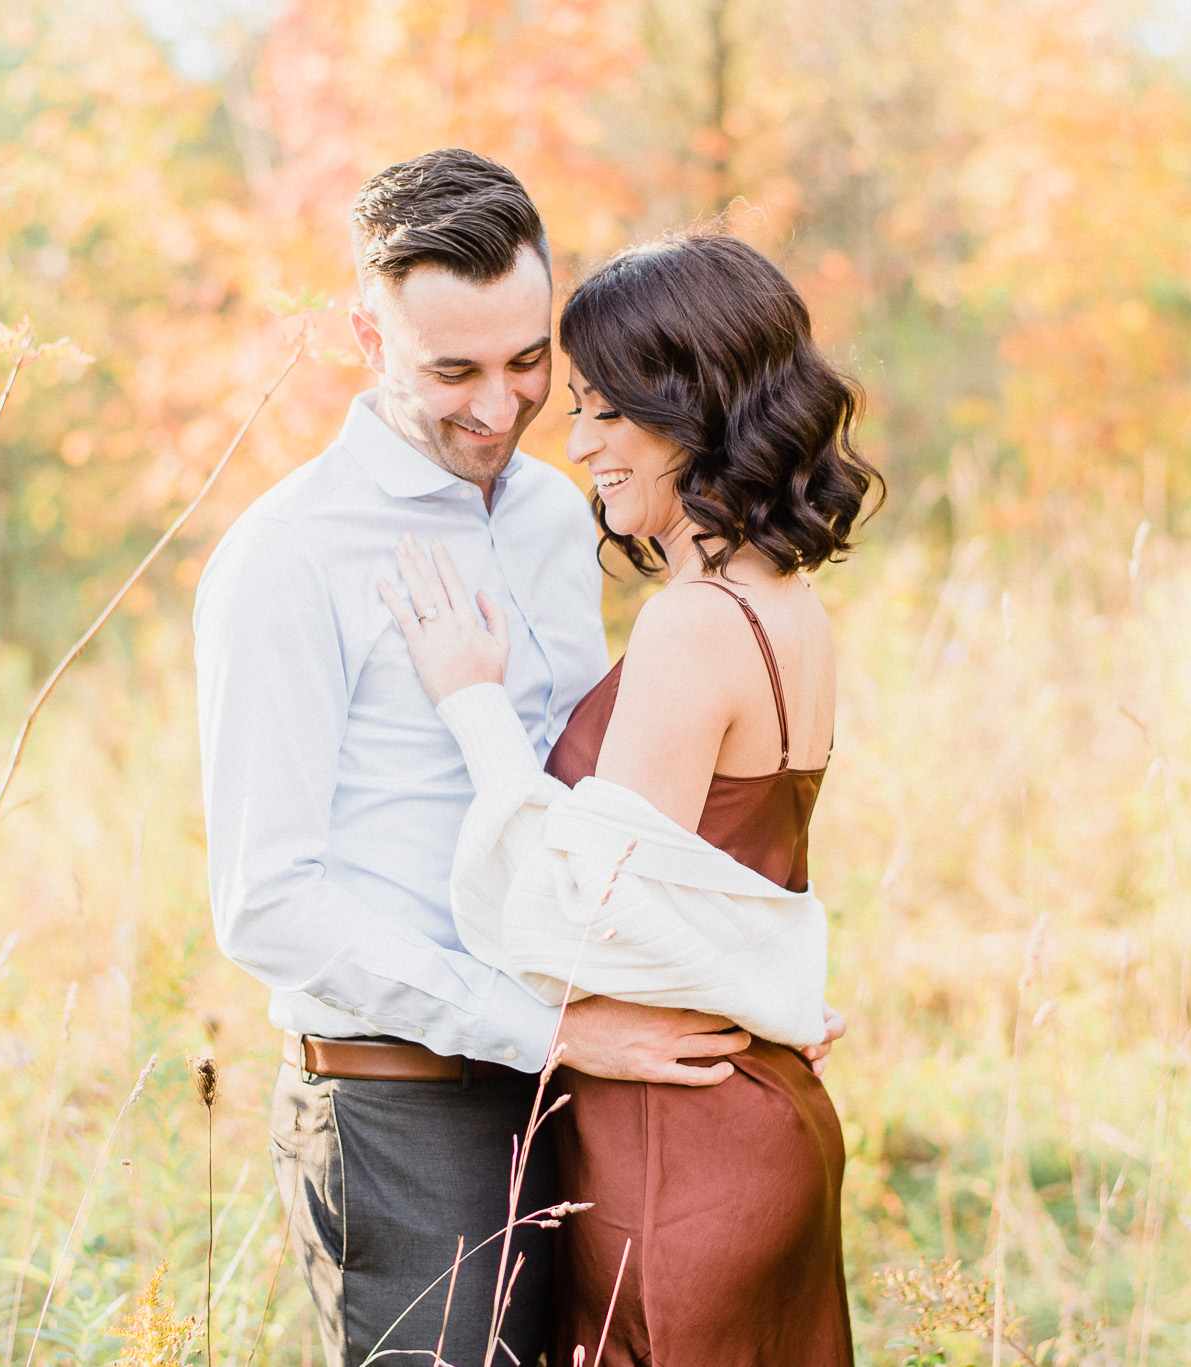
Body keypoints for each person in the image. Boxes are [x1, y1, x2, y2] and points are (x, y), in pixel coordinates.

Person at [193, 150, 775, 1366]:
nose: (499, 407)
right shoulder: (287, 559)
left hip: (586, 1080)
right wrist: (535, 1025)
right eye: (451, 370)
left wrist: (742, 980)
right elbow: (268, 905)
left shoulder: (559, 515)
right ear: (367, 332)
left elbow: (590, 813)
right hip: (400, 1106)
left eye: (527, 364)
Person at [381, 232, 880, 1365]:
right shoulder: (783, 603)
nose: (582, 441)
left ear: (696, 404)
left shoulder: (693, 622)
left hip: (679, 1140)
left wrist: (473, 703)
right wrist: (779, 995)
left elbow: (586, 913)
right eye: (583, 408)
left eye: (612, 410)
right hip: (747, 1107)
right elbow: (725, 881)